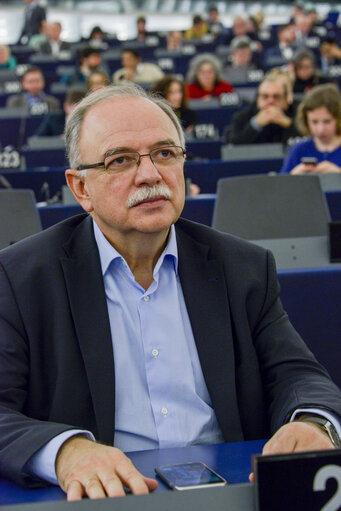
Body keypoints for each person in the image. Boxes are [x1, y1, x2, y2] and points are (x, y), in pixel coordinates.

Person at [1, 83, 341, 501]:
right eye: (120, 160)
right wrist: (65, 452)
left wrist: (312, 423)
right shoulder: (21, 278)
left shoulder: (243, 267)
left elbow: (298, 375)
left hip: (232, 492)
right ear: (81, 188)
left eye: (164, 153)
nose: (150, 174)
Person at [280, 83, 341, 174]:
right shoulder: (299, 149)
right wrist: (293, 175)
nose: (321, 129)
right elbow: (280, 185)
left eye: (327, 121)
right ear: (306, 120)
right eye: (314, 122)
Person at [225, 75, 299, 144]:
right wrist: (255, 124)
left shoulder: (297, 112)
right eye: (265, 96)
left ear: (286, 101)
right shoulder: (243, 116)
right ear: (258, 100)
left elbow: (307, 137)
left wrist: (288, 124)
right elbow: (233, 143)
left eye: (276, 97)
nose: (270, 101)